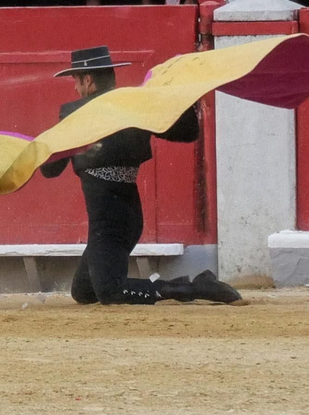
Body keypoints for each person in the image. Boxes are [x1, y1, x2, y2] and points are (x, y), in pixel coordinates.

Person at [38, 45, 241, 306]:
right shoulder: (135, 107)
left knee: (109, 291)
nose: (76, 89)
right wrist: (182, 97)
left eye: (76, 81)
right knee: (84, 291)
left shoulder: (76, 114)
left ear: (87, 80)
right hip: (128, 217)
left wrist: (47, 142)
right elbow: (188, 132)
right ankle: (192, 284)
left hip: (107, 220)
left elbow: (50, 171)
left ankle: (195, 287)